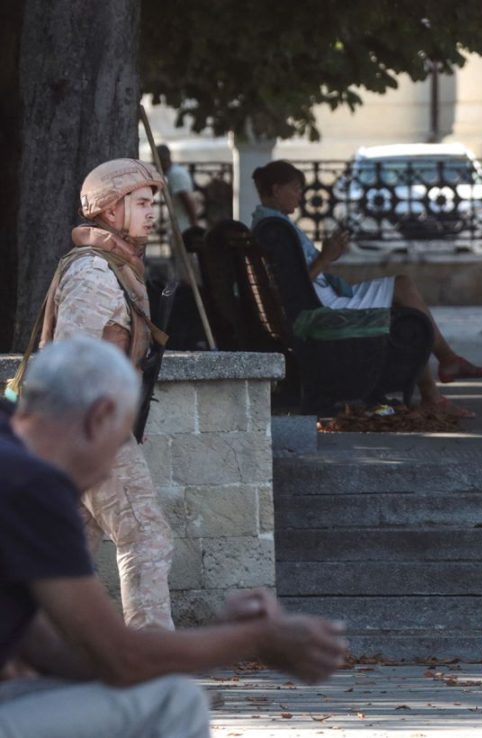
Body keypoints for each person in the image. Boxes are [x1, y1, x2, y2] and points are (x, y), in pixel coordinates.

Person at [0, 337, 346, 738]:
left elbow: (49, 649)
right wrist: (257, 637)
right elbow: (120, 658)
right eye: (116, 448)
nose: (105, 473)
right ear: (100, 417)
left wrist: (220, 633)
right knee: (173, 701)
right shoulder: (31, 485)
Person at [36, 158, 175, 629]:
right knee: (147, 537)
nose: (152, 212)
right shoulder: (95, 273)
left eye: (153, 202)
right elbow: (71, 364)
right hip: (87, 432)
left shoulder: (115, 267)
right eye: (140, 203)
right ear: (110, 212)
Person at [250, 160, 482, 417]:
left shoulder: (270, 225)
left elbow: (294, 280)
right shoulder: (276, 229)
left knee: (406, 306)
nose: (300, 195)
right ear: (276, 190)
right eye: (295, 188)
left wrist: (327, 256)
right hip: (322, 306)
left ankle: (439, 381)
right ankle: (444, 371)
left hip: (317, 299)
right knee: (403, 288)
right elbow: (294, 287)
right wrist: (326, 257)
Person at [157, 144, 200, 237]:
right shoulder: (173, 173)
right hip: (180, 227)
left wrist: (194, 225)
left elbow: (187, 200)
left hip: (183, 228)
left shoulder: (175, 175)